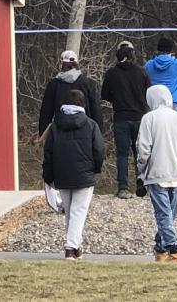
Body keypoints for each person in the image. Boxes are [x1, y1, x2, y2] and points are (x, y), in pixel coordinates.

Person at [43, 89, 105, 260]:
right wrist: (96, 168)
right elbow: (99, 150)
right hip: (84, 174)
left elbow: (48, 152)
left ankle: (76, 246)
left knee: (70, 211)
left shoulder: (55, 126)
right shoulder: (91, 125)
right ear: (82, 104)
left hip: (62, 173)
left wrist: (48, 175)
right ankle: (71, 247)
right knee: (79, 211)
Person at [137, 84, 177, 263]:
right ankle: (160, 249)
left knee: (163, 213)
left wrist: (141, 168)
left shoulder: (149, 118)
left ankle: (173, 248)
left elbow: (144, 149)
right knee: (169, 213)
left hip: (157, 172)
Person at [100, 41, 150, 199]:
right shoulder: (142, 72)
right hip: (140, 117)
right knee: (140, 153)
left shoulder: (111, 74)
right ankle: (141, 184)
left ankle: (123, 187)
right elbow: (149, 94)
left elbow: (105, 95)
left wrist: (118, 98)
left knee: (122, 154)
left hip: (121, 117)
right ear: (132, 55)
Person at [38, 50, 103, 138]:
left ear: (61, 63)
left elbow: (46, 112)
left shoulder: (54, 84)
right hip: (85, 133)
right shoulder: (88, 83)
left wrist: (43, 135)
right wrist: (98, 134)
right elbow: (96, 110)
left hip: (60, 133)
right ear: (77, 63)